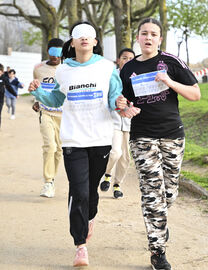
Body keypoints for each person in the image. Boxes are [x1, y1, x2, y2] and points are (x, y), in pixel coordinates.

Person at [28, 21, 131, 267]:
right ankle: (80, 245)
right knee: (78, 190)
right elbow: (56, 98)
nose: (84, 38)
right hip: (73, 138)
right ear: (72, 42)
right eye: (78, 35)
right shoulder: (63, 70)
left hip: (100, 138)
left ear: (95, 42)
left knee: (91, 192)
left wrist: (120, 104)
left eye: (89, 35)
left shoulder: (107, 68)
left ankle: (90, 218)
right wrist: (39, 92)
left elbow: (114, 97)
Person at [119, 18, 201, 270]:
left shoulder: (172, 62)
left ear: (160, 39)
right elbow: (124, 102)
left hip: (172, 134)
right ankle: (157, 251)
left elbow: (195, 95)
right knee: (152, 194)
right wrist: (123, 108)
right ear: (138, 37)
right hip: (142, 136)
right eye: (144, 33)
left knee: (168, 193)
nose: (148, 38)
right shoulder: (128, 69)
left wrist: (168, 81)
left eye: (153, 34)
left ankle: (159, 223)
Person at [100, 48, 135, 199]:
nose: (128, 61)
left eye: (131, 59)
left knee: (125, 157)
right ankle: (107, 174)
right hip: (113, 120)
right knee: (115, 152)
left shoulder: (136, 77)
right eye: (124, 58)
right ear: (118, 60)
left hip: (129, 122)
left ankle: (117, 184)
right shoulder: (110, 76)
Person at [32, 38, 64, 198]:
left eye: (58, 53)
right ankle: (48, 182)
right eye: (53, 53)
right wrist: (37, 101)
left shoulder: (67, 69)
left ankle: (52, 178)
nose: (55, 57)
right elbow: (36, 86)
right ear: (47, 52)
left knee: (58, 150)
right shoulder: (39, 69)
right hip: (46, 113)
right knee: (49, 146)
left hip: (63, 115)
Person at [0, 63, 17, 129]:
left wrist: (15, 94)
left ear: (1, 71)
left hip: (0, 99)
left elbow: (9, 87)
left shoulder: (4, 78)